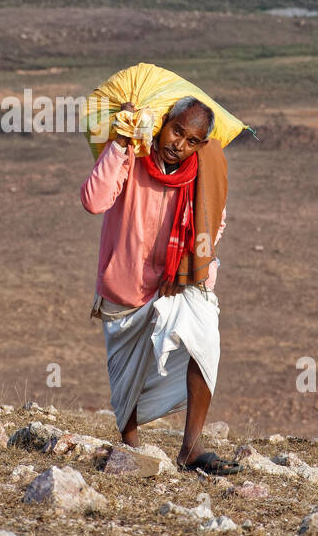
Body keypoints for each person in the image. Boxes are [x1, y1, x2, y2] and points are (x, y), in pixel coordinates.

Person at [80, 95, 239, 474]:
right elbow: (93, 201)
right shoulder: (131, 154)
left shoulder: (203, 172)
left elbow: (214, 224)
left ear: (201, 145)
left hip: (179, 281)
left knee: (204, 339)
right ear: (163, 122)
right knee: (127, 369)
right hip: (126, 281)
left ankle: (191, 448)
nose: (178, 144)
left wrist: (185, 269)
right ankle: (131, 444)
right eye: (176, 130)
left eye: (191, 140)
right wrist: (119, 142)